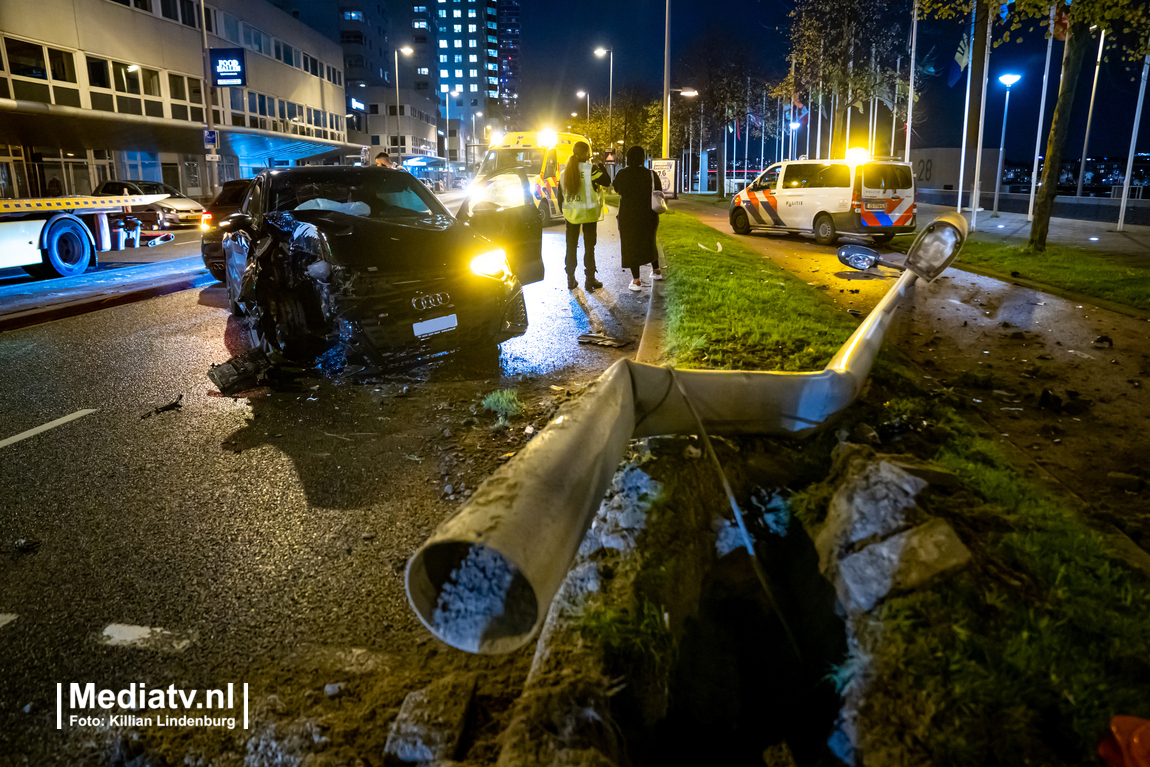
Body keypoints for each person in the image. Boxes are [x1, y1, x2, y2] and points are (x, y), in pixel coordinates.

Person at [556, 141, 607, 290]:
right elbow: (605, 181)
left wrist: (565, 211)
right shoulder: (591, 169)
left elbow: (560, 196)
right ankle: (590, 279)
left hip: (571, 215)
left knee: (571, 246)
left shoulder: (565, 172)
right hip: (589, 214)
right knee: (589, 247)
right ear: (586, 153)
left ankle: (570, 279)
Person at [612, 145, 663, 292]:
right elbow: (658, 190)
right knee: (649, 240)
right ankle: (657, 270)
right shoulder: (651, 174)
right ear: (643, 157)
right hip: (649, 215)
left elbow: (616, 189)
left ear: (628, 158)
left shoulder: (622, 174)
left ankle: (636, 280)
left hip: (628, 216)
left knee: (631, 245)